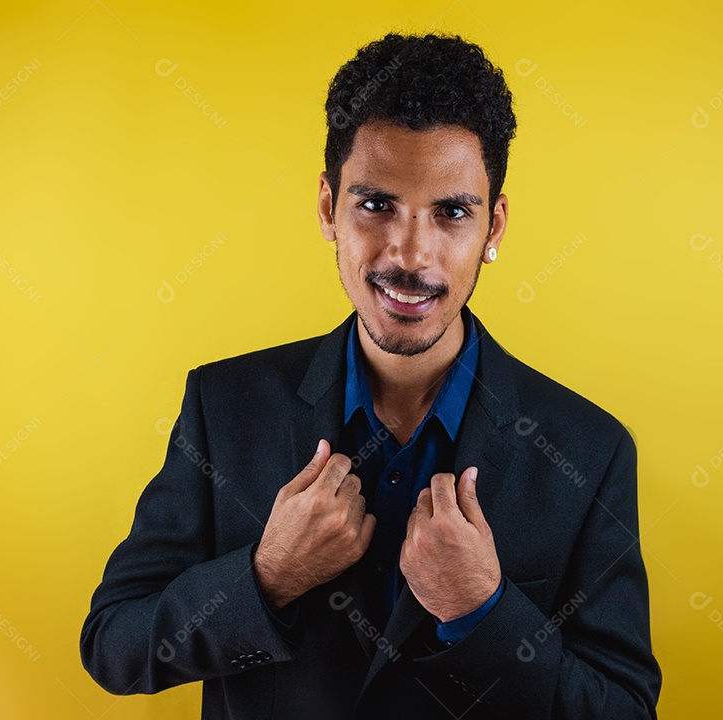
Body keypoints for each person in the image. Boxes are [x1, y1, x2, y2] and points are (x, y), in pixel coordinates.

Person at [80, 31, 661, 719]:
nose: (410, 255)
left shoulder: (590, 451)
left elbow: (624, 710)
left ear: (494, 227)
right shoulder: (224, 405)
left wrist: (484, 611)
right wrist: (265, 579)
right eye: (376, 205)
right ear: (329, 208)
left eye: (451, 212)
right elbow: (114, 645)